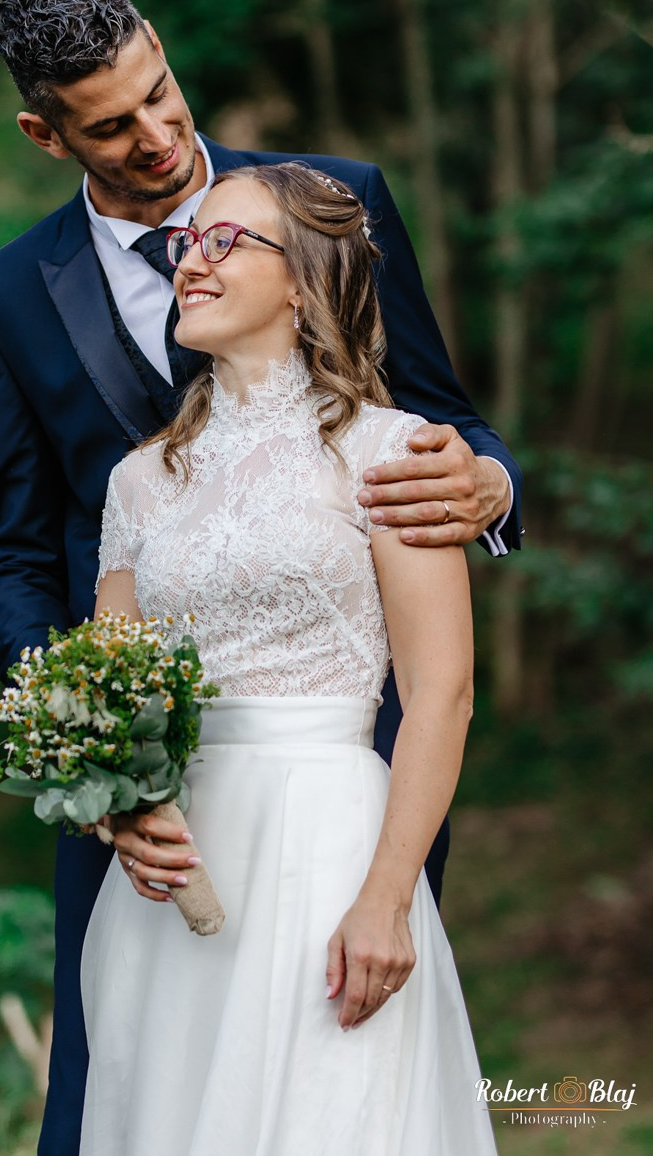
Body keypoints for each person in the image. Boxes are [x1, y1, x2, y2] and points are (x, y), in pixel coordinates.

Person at [0, 0, 521, 1156]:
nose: (159, 135)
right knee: (116, 1101)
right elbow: (16, 557)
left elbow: (439, 418)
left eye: (159, 93)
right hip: (146, 794)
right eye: (111, 125)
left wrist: (488, 482)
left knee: (332, 1094)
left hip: (338, 778)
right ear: (45, 135)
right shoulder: (2, 300)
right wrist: (95, 760)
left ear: (162, 46)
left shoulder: (330, 204)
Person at [81, 163, 497, 1155]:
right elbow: (106, 692)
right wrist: (119, 808)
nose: (191, 261)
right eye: (188, 243)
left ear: (305, 284)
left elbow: (440, 693)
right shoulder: (138, 481)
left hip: (325, 845)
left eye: (226, 241)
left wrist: (386, 897)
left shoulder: (391, 453)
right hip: (177, 872)